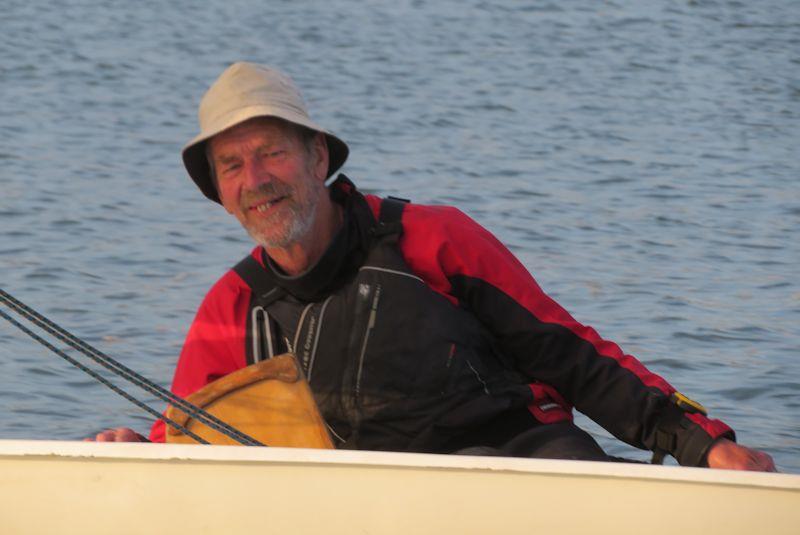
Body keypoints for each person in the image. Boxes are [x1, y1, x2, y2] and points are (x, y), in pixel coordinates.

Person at [89, 62, 775, 471]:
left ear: (319, 160)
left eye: (270, 152)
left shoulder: (433, 238)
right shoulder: (230, 307)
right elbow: (186, 437)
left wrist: (700, 441)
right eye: (233, 166)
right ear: (222, 193)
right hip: (379, 505)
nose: (256, 178)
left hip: (528, 468)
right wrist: (132, 457)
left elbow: (574, 356)